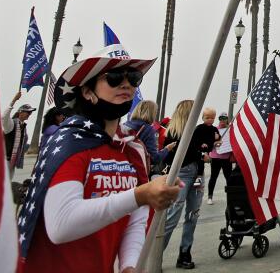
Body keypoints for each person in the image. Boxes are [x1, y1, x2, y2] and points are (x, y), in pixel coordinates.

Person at [17, 45, 180, 272]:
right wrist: (140, 195)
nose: (126, 84)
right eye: (113, 77)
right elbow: (61, 225)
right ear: (87, 92)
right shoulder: (70, 142)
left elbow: (136, 218)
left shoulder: (132, 149)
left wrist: (129, 265)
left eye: (133, 78)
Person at [161, 103, 220, 269]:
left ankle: (185, 252)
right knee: (173, 214)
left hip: (198, 174)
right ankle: (157, 254)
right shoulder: (173, 132)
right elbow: (172, 155)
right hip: (182, 174)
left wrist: (208, 149)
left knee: (193, 214)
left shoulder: (197, 130)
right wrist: (200, 154)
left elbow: (203, 147)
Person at [124, 100, 176, 173]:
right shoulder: (148, 129)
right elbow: (155, 158)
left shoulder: (125, 125)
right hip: (137, 171)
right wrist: (167, 149)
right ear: (152, 113)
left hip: (121, 167)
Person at [2, 93, 35, 174]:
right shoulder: (11, 124)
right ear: (20, 112)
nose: (29, 114)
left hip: (12, 161)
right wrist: (14, 100)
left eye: (30, 113)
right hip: (5, 160)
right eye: (28, 112)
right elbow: (4, 117)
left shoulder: (23, 126)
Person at [207, 113, 234, 204]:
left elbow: (233, 143)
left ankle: (231, 197)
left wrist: (232, 155)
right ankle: (210, 197)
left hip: (226, 157)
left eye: (224, 118)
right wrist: (214, 143)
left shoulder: (230, 129)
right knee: (213, 177)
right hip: (215, 157)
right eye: (221, 118)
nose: (222, 120)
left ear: (227, 119)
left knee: (229, 178)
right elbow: (208, 143)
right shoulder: (214, 130)